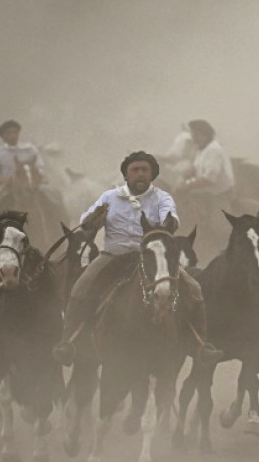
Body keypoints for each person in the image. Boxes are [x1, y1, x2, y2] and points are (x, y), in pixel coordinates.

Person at [51, 151, 223, 367]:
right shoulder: (109, 197)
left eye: (145, 170)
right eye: (135, 170)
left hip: (151, 256)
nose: (140, 174)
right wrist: (95, 218)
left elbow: (172, 222)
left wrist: (167, 223)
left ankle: (201, 346)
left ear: (152, 175)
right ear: (126, 174)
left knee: (194, 288)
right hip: (113, 255)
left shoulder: (163, 199)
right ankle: (68, 344)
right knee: (82, 286)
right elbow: (86, 223)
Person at [0, 120, 46, 188]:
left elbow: (41, 167)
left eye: (15, 132)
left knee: (52, 194)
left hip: (33, 185)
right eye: (8, 133)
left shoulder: (30, 149)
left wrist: (37, 175)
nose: (13, 136)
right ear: (2, 137)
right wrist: (4, 180)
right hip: (9, 187)